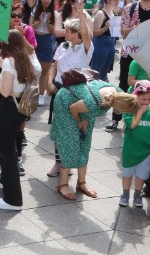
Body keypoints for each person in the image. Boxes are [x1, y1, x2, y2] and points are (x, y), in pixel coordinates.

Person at [50, 69, 137, 200]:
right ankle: (62, 184)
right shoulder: (95, 103)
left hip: (84, 104)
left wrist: (84, 117)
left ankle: (82, 183)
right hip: (66, 101)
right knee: (69, 142)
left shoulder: (118, 92)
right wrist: (80, 120)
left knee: (85, 143)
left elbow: (85, 106)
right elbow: (73, 108)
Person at [0, 29, 40, 211]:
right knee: (8, 148)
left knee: (7, 152)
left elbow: (5, 91)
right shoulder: (24, 59)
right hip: (20, 108)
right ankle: (4, 180)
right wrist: (2, 65)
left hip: (10, 107)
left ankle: (13, 199)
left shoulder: (9, 62)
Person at [108, 0, 150, 132]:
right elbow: (122, 32)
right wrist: (136, 28)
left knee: (147, 88)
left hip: (149, 55)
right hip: (130, 53)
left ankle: (140, 119)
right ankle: (116, 119)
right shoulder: (130, 8)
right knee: (124, 86)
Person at [46, 13, 94, 178]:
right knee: (58, 129)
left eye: (68, 31)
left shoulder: (86, 48)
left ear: (76, 33)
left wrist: (81, 15)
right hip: (58, 90)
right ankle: (58, 163)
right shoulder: (63, 46)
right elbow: (54, 65)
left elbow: (86, 35)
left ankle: (69, 162)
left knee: (73, 128)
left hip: (75, 92)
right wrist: (50, 82)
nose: (64, 33)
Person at [119, 80, 150, 207]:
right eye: (143, 99)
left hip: (147, 150)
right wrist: (140, 112)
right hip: (131, 149)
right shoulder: (130, 109)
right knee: (127, 173)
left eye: (149, 100)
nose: (147, 102)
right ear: (136, 96)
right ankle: (125, 194)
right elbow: (132, 125)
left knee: (142, 175)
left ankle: (137, 194)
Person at [31, 0, 56, 105]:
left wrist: (48, 23)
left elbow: (54, 31)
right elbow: (30, 28)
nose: (46, 0)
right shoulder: (35, 10)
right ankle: (31, 93)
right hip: (35, 39)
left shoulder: (54, 13)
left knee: (45, 69)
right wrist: (39, 21)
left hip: (47, 40)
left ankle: (41, 94)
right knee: (33, 69)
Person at [90, 0, 120, 81]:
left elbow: (116, 33)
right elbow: (94, 33)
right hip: (101, 44)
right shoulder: (100, 13)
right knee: (96, 72)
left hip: (111, 44)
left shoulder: (114, 13)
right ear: (108, 1)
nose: (117, 2)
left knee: (104, 72)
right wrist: (105, 28)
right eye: (115, 0)